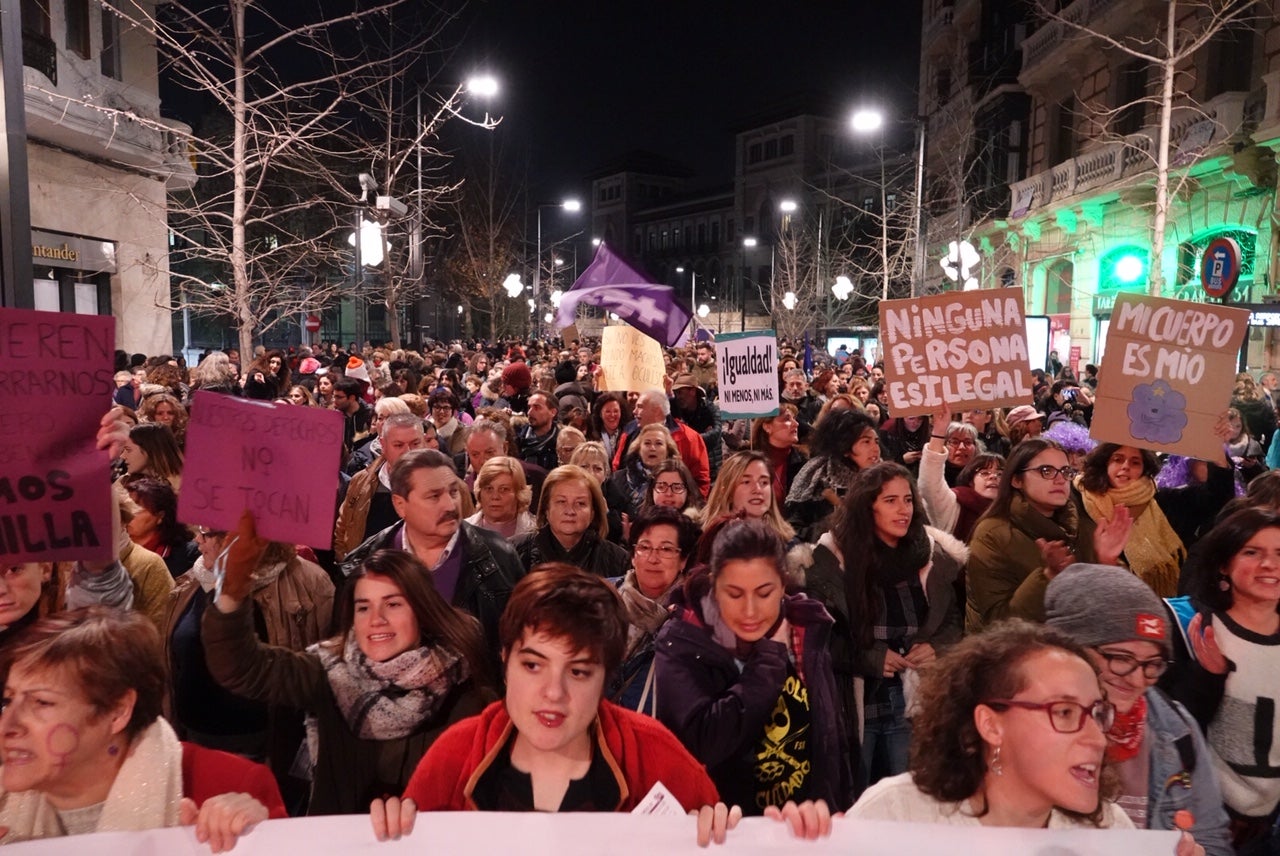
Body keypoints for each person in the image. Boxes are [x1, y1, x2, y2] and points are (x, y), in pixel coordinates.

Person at [369, 565, 720, 828]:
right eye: (534, 666)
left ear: (606, 677)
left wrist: (748, 835)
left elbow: (716, 827)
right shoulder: (455, 755)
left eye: (579, 672)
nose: (554, 693)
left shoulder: (656, 757)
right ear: (505, 659)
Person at [203, 524, 493, 815]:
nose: (376, 619)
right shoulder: (328, 672)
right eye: (363, 607)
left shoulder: (467, 691)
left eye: (392, 604)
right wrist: (232, 591)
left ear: (421, 610)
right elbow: (239, 666)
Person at [0, 607, 281, 848]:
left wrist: (260, 841)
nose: (7, 725)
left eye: (41, 702)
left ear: (118, 712)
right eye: (8, 700)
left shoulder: (229, 785)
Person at [654, 519, 855, 814]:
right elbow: (701, 746)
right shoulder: (683, 639)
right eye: (734, 594)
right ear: (714, 585)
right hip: (724, 830)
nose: (750, 611)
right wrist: (769, 659)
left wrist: (836, 808)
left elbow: (831, 737)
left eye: (764, 594)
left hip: (800, 828)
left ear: (783, 585)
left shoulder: (803, 627)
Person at [848, 620, 1131, 829]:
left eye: (1097, 714)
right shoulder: (896, 815)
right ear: (990, 725)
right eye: (1065, 712)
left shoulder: (1111, 830)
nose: (1098, 740)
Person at [792, 462, 967, 788]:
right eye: (890, 501)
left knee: (909, 807)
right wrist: (869, 657)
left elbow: (953, 620)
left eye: (908, 500)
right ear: (867, 506)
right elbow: (818, 640)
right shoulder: (830, 559)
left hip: (915, 706)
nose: (903, 510)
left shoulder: (930, 554)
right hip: (858, 706)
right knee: (857, 805)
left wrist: (938, 647)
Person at [1046, 564, 1232, 854]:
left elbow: (1213, 839)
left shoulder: (1176, 729)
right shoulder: (1021, 730)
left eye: (1151, 664)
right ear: (1067, 648)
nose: (1136, 679)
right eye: (1121, 658)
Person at [164, 518, 333, 803]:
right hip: (195, 744)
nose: (198, 541)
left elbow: (323, 672)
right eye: (199, 531)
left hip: (267, 750)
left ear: (240, 535)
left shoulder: (310, 584)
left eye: (207, 533)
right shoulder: (188, 584)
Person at [1164, 506, 1280, 853]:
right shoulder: (1194, 628)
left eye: (1279, 553)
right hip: (1209, 819)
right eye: (1252, 552)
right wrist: (1207, 676)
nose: (1269, 564)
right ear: (1223, 565)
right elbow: (1171, 727)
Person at [341, 449, 525, 658]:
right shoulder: (361, 564)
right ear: (400, 505)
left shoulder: (500, 556)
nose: (450, 505)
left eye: (453, 492)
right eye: (434, 496)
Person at [966, 439, 1131, 632]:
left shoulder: (1082, 524)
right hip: (1013, 654)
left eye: (1066, 472)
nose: (1060, 479)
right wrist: (1047, 576)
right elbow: (998, 622)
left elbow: (1110, 604)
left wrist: (1107, 562)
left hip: (1075, 646)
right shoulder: (992, 534)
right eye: (1046, 471)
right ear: (1016, 479)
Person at [1074, 439, 1234, 598]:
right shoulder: (1082, 503)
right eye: (1118, 459)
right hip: (1107, 601)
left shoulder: (1164, 502)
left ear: (1145, 469)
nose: (1125, 466)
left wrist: (1218, 454)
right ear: (1104, 463)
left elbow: (1216, 498)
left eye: (1135, 462)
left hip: (1167, 607)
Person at [609, 508, 701, 714]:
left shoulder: (694, 618)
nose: (653, 558)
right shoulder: (602, 598)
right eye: (644, 547)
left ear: (683, 560)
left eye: (666, 550)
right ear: (633, 555)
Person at [334, 413, 426, 561]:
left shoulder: (446, 486)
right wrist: (345, 561)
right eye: (398, 445)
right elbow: (343, 526)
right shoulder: (361, 481)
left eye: (415, 443)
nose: (408, 451)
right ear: (383, 445)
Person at [514, 465, 630, 578]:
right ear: (546, 508)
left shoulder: (618, 560)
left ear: (593, 513)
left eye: (580, 503)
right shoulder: (514, 552)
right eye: (561, 502)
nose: (570, 511)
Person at [785, 409, 881, 541]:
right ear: (846, 449)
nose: (875, 449)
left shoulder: (884, 477)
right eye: (866, 442)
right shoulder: (816, 478)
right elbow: (793, 531)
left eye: (876, 441)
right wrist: (833, 524)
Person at [919, 405, 1004, 541]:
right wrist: (939, 431)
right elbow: (929, 483)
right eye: (954, 441)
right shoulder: (955, 503)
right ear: (971, 480)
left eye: (968, 442)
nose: (993, 477)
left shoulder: (1012, 508)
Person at [613, 390, 710, 498]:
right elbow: (617, 466)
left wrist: (687, 507)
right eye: (647, 443)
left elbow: (701, 481)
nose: (634, 411)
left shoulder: (689, 438)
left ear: (657, 411)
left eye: (640, 407)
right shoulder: (629, 432)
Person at [701, 450, 796, 541]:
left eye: (764, 482)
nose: (758, 490)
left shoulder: (790, 546)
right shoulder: (707, 542)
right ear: (726, 491)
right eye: (746, 482)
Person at [124, 477, 198, 578]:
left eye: (136, 510)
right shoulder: (113, 552)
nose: (126, 516)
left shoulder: (188, 555)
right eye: (124, 508)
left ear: (160, 516)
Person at [609, 423, 678, 518]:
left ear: (668, 450)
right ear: (638, 448)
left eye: (658, 443)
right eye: (647, 443)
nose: (652, 448)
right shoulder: (617, 479)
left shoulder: (679, 479)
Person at [465, 456, 538, 539]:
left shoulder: (536, 534)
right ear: (479, 492)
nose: (495, 496)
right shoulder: (460, 533)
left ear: (519, 494)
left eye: (504, 489)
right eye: (489, 489)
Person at [750, 404, 806, 505]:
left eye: (794, 418)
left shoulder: (804, 461)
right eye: (787, 419)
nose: (796, 424)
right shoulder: (747, 461)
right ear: (767, 427)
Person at [118, 422, 185, 492]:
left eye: (128, 450)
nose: (122, 456)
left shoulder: (187, 486)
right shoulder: (124, 481)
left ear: (150, 449)